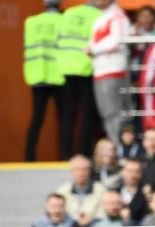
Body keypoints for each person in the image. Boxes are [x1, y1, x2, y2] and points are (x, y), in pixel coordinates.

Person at [57, 0, 101, 157]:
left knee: (68, 114)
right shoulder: (99, 15)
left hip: (66, 68)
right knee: (88, 113)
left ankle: (65, 154)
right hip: (86, 68)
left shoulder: (68, 13)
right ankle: (83, 153)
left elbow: (58, 40)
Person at [24, 0, 66, 162]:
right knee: (63, 119)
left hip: (37, 75)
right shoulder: (63, 21)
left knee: (37, 118)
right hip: (58, 75)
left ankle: (29, 156)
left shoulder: (31, 22)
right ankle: (65, 155)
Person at [88, 0, 131, 147]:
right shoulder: (101, 17)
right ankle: (114, 145)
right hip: (100, 70)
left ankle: (120, 147)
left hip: (114, 70)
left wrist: (93, 49)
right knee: (106, 113)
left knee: (115, 113)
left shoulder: (118, 16)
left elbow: (118, 41)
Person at [56, 155, 107, 225]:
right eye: (77, 169)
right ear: (71, 171)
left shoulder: (101, 190)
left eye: (84, 169)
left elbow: (104, 213)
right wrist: (75, 222)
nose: (81, 173)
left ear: (90, 171)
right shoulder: (62, 191)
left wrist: (91, 219)